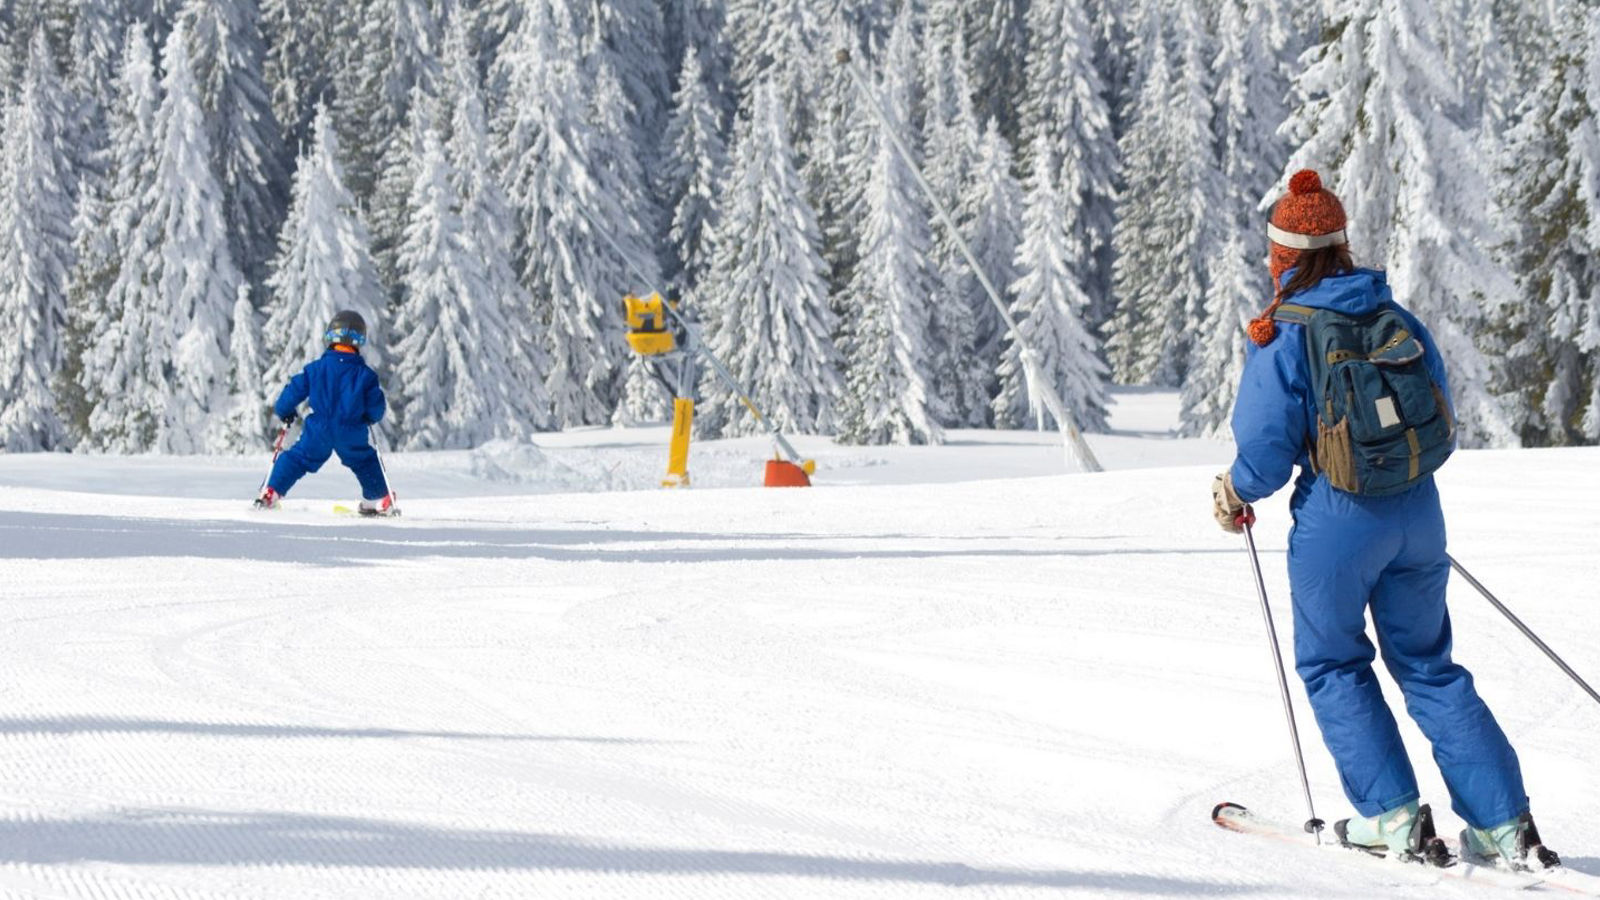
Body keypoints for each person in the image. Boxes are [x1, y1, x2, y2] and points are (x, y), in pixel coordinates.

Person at [1210, 170, 1558, 871]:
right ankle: (1502, 824)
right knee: (1430, 666)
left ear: (1284, 257)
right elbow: (1441, 414)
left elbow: (1267, 450)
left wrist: (1235, 490)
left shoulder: (1289, 333)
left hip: (1337, 521)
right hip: (1419, 512)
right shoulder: (1392, 314)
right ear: (1340, 247)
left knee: (1334, 662)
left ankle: (1395, 817)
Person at [254, 310, 395, 516]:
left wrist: (285, 410)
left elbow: (293, 390)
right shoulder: (365, 375)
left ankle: (271, 491)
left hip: (319, 430)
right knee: (365, 461)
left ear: (330, 336)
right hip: (351, 430)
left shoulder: (316, 369)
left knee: (297, 458)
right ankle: (377, 499)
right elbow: (376, 408)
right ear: (359, 340)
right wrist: (368, 416)